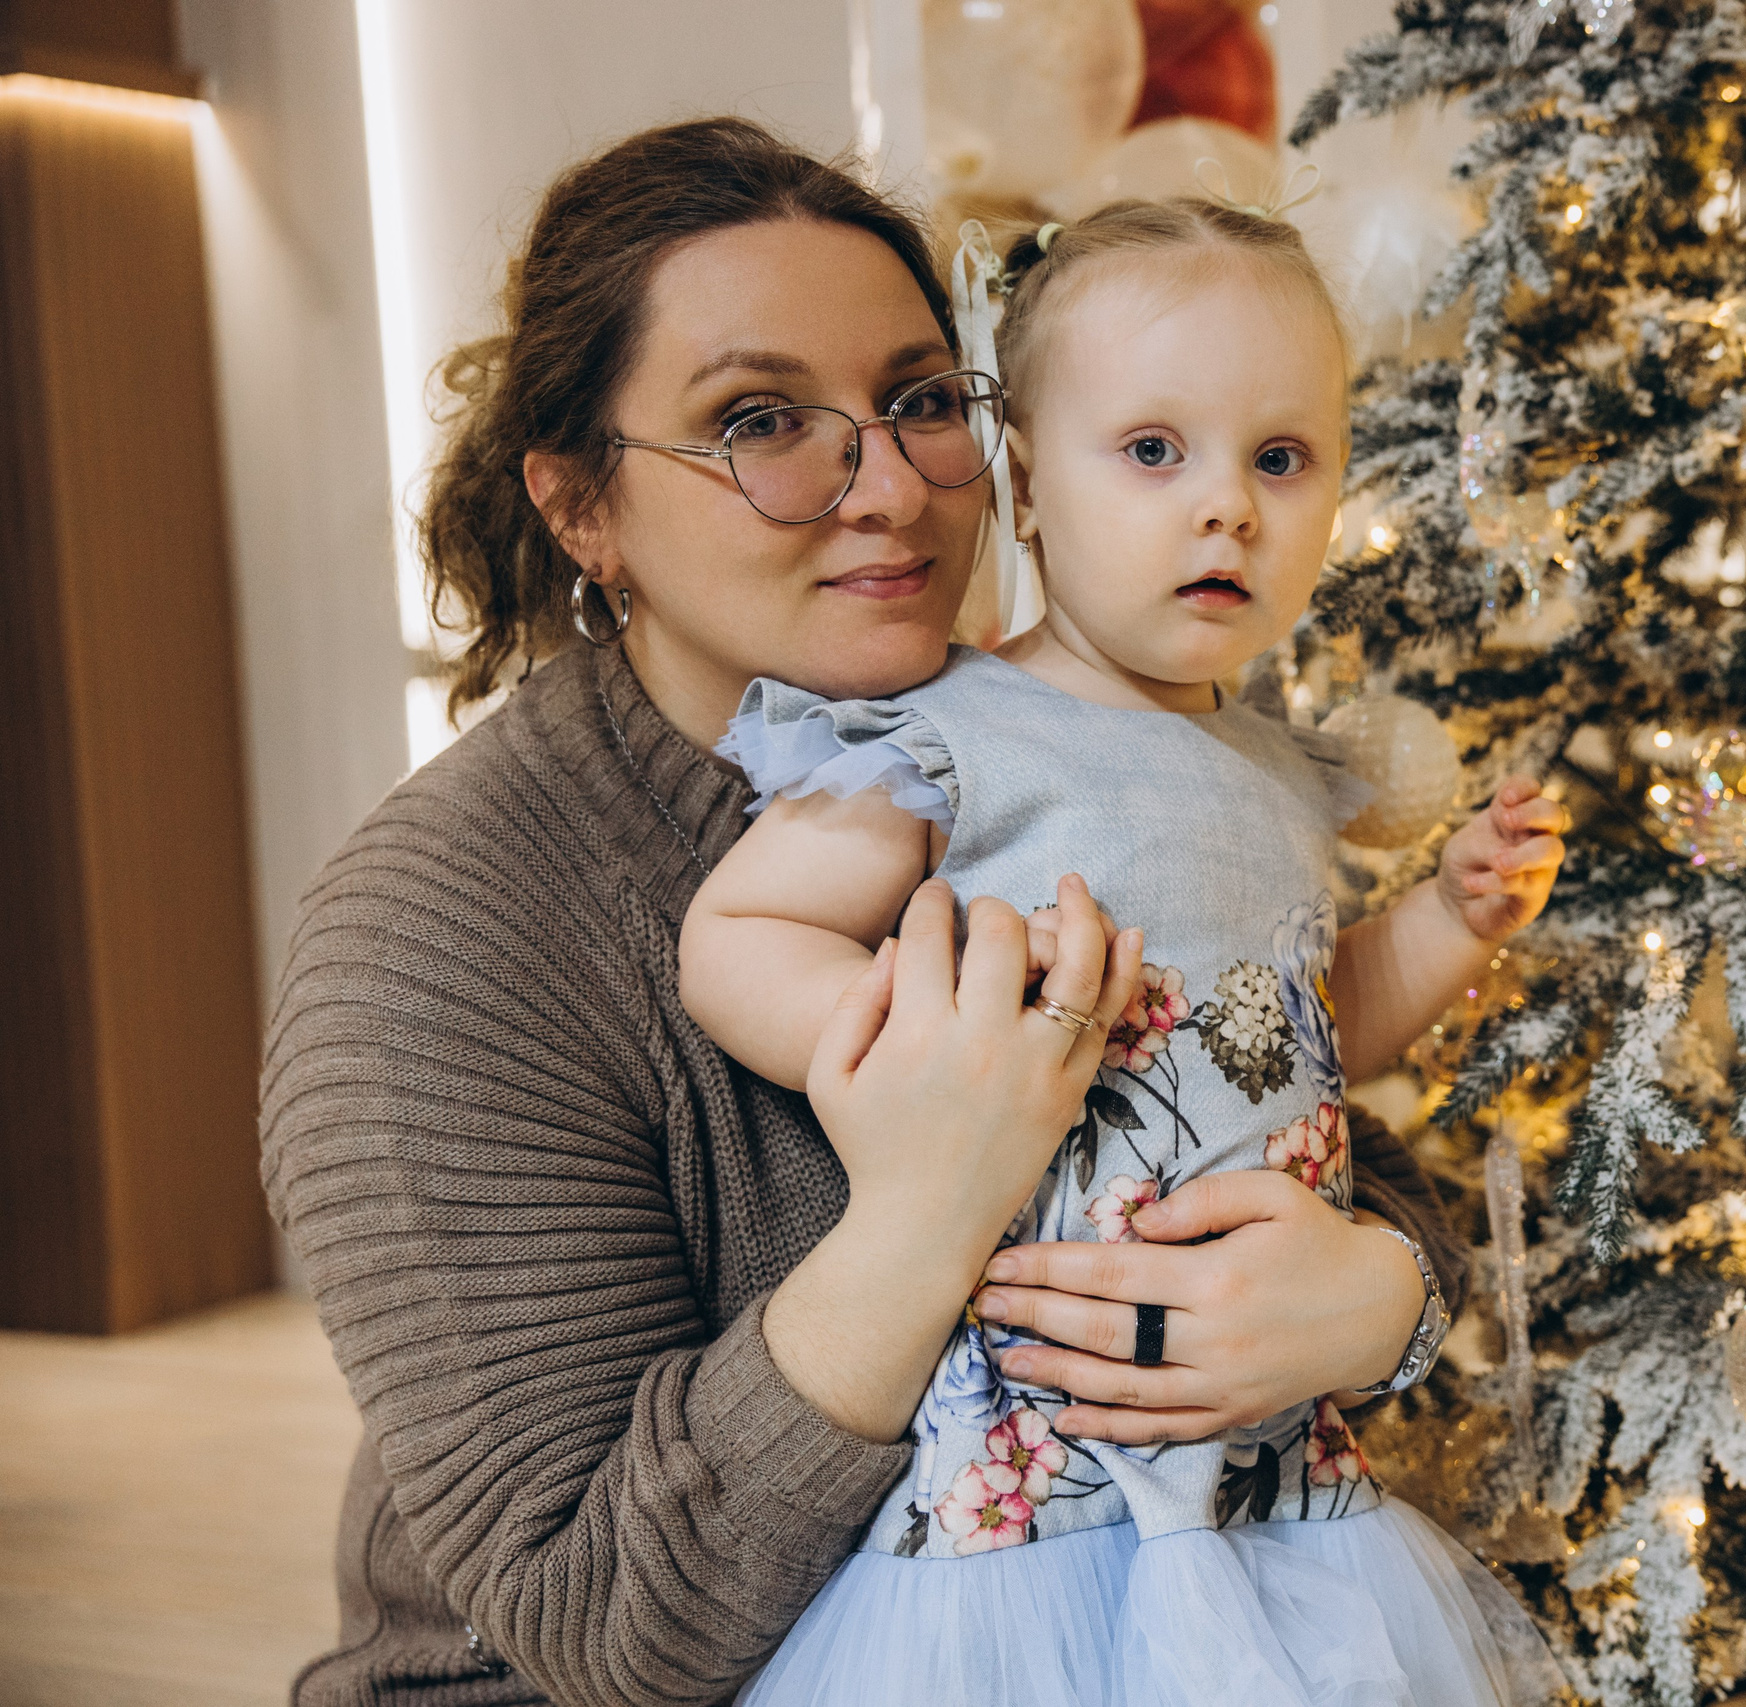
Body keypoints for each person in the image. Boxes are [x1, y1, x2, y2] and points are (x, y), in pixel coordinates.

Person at [260, 119, 1476, 1707]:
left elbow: (1283, 1114)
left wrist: (1380, 1295)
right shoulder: (433, 942)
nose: (891, 488)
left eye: (918, 402)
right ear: (581, 509)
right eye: (760, 420)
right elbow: (606, 1628)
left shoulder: (1084, 746)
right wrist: (926, 1210)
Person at [681, 198, 1569, 1706]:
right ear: (1027, 487)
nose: (1225, 505)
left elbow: (1315, 1028)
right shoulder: (959, 737)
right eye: (1154, 451)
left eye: (1279, 460)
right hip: (1033, 1469)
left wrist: (1445, 921)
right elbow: (739, 934)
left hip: (1273, 1453)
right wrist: (922, 1056)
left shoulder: (1283, 777)